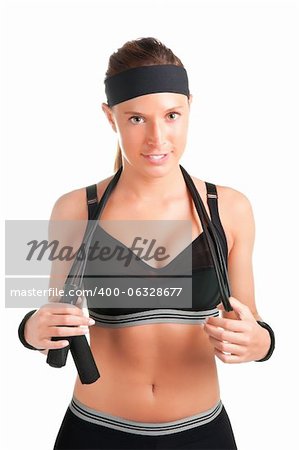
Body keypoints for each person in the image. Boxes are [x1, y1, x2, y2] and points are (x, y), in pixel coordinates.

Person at [18, 37, 275, 450]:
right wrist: (32, 329)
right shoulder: (76, 209)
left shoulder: (229, 208)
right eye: (137, 119)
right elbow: (57, 317)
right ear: (110, 117)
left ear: (190, 108)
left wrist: (260, 343)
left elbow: (253, 324)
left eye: (172, 115)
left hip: (201, 434)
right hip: (95, 433)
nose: (157, 137)